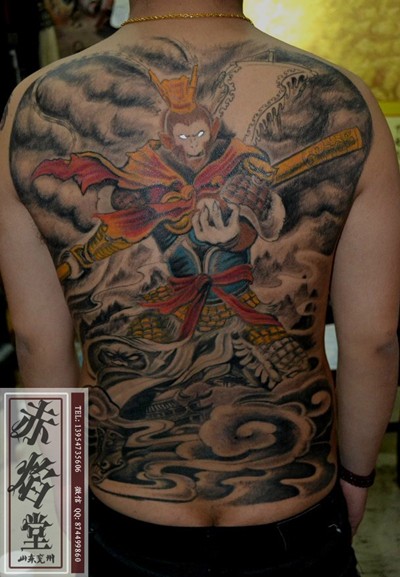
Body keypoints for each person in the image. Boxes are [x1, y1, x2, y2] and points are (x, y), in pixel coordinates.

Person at [0, 1, 399, 575]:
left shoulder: (27, 104)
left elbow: (36, 342)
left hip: (123, 513)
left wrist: (40, 522)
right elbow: (375, 341)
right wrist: (357, 481)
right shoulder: (349, 96)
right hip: (293, 506)